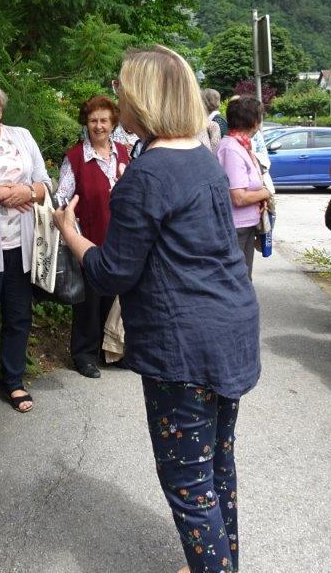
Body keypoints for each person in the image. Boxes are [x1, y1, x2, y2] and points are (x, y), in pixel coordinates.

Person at [53, 45, 260, 573]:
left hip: (185, 343)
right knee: (217, 464)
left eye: (122, 88)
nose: (117, 97)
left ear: (142, 96)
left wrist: (70, 233)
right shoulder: (201, 157)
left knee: (189, 484)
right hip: (229, 327)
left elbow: (111, 272)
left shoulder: (146, 174)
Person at [0, 78, 51, 413]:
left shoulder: (22, 137)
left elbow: (44, 183)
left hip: (21, 245)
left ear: (1, 108)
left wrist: (28, 191)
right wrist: (7, 193)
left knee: (18, 316)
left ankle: (14, 380)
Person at [55, 95, 131, 379]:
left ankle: (109, 350)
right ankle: (84, 355)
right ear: (85, 123)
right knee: (89, 301)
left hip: (119, 240)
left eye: (104, 120)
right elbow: (61, 198)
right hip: (87, 239)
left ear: (113, 123)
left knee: (114, 297)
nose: (99, 126)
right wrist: (71, 228)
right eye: (93, 120)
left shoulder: (123, 153)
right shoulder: (76, 157)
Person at [216, 95, 270, 278]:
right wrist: (265, 193)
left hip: (244, 225)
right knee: (238, 280)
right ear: (254, 122)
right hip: (236, 227)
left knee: (244, 279)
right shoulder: (231, 149)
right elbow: (238, 197)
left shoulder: (240, 145)